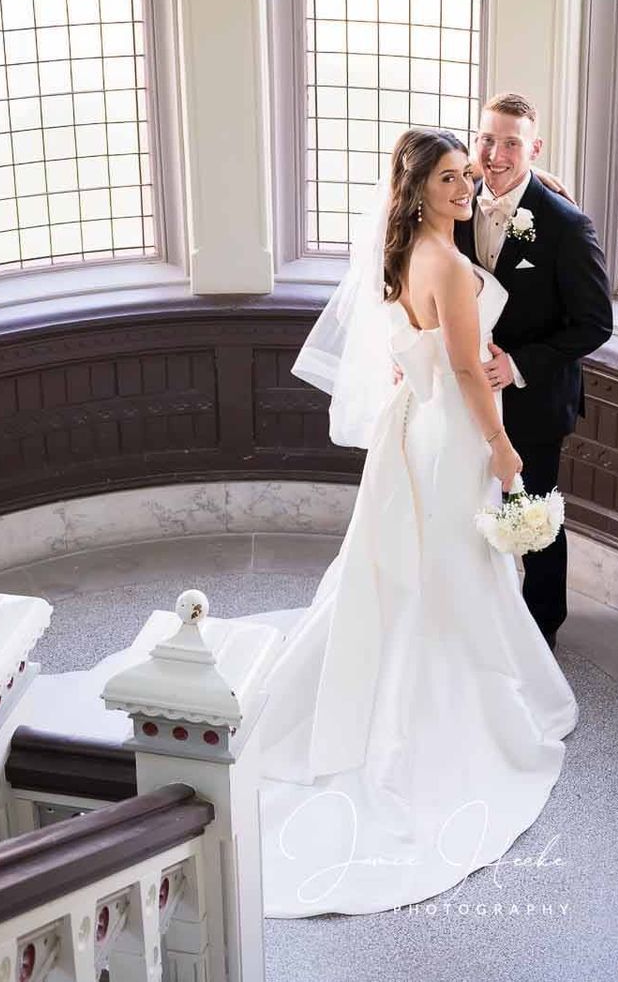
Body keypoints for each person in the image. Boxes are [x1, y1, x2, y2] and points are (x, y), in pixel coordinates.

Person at [237, 128, 579, 918]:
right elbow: (464, 367)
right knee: (452, 567)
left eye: (470, 178)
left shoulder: (401, 255)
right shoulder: (453, 269)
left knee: (426, 564)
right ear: (422, 188)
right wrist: (500, 446)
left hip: (412, 424)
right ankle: (446, 708)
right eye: (453, 180)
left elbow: (412, 351)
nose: (467, 190)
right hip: (452, 431)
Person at [455, 93, 615, 648]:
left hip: (533, 398)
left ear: (534, 148)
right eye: (487, 139)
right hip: (464, 394)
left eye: (511, 143)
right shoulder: (455, 200)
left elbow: (595, 324)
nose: (495, 154)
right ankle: (477, 616)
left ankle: (539, 633)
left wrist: (517, 365)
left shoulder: (564, 225)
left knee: (534, 517)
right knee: (467, 504)